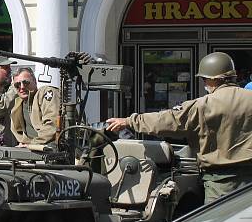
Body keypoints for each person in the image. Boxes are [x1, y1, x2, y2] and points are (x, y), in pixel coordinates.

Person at [106, 52, 252, 204]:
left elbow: (166, 120)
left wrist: (129, 121)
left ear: (211, 79)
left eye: (204, 79)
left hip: (220, 183)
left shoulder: (202, 105)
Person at [9, 67, 60, 146]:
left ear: (35, 81)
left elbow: (52, 125)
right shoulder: (17, 104)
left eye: (25, 82)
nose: (22, 87)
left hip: (51, 147)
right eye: (17, 84)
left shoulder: (45, 93)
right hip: (31, 148)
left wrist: (32, 144)